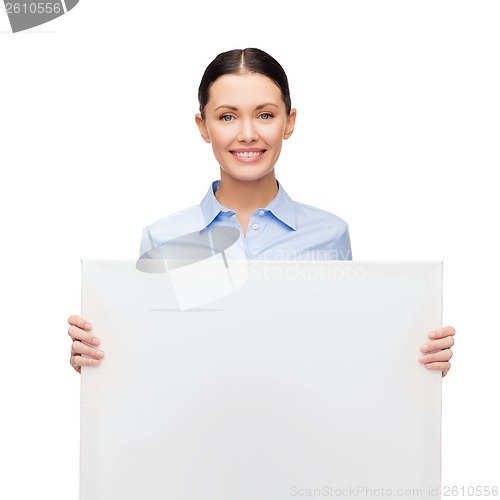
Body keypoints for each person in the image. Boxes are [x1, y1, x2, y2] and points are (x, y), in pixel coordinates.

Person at [68, 47, 455, 375]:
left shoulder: (330, 234)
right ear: (203, 127)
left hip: (301, 440)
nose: (248, 133)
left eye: (266, 114)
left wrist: (417, 356)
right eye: (227, 116)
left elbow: (342, 348)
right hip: (195, 445)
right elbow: (153, 352)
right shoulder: (164, 238)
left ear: (289, 122)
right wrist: (99, 357)